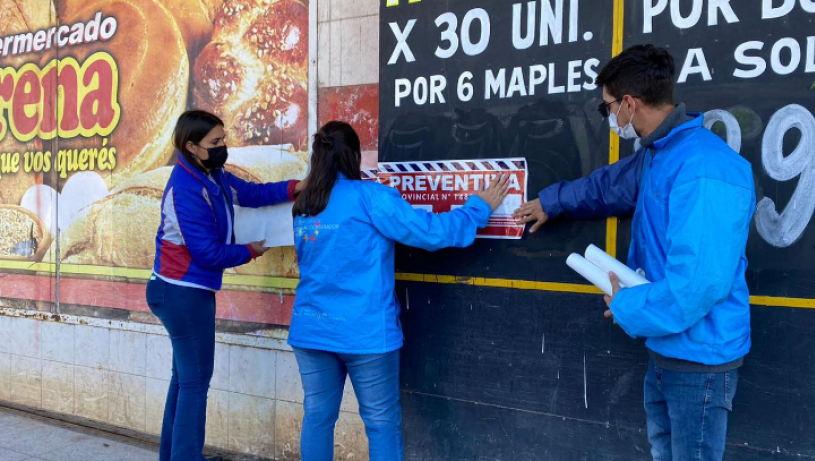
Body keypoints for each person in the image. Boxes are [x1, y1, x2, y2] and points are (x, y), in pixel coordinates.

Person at [515, 45, 755, 461]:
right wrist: (552, 202)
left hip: (700, 356)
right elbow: (608, 186)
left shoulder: (703, 168)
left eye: (606, 106)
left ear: (629, 103)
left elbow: (697, 285)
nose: (608, 116)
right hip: (667, 349)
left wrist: (628, 306)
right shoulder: (659, 156)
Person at [288, 121, 510, 461]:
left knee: (317, 418)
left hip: (311, 329)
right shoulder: (372, 197)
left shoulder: (305, 203)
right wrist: (477, 208)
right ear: (355, 156)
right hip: (366, 333)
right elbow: (430, 232)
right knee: (380, 424)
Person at [145, 110, 304, 461]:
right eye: (215, 143)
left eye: (223, 140)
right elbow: (206, 252)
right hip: (181, 292)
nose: (223, 148)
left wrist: (296, 187)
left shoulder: (212, 175)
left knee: (185, 379)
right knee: (196, 381)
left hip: (185, 290)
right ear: (192, 146)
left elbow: (250, 194)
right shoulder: (185, 188)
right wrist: (250, 251)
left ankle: (175, 456)